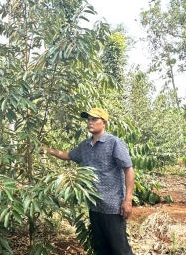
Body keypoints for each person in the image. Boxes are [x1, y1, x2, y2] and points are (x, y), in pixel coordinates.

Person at [41, 108, 134, 255]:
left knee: (120, 249)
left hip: (112, 206)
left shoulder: (114, 143)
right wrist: (49, 150)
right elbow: (68, 155)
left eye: (94, 119)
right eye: (88, 119)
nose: (90, 122)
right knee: (101, 248)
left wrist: (127, 200)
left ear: (104, 122)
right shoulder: (85, 145)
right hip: (94, 205)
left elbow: (128, 169)